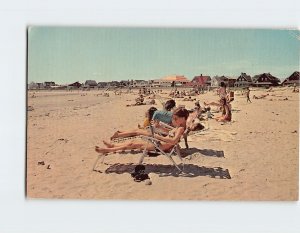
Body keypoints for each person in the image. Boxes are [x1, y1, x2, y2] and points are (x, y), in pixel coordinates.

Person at [95, 108, 190, 154]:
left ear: (184, 118)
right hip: (158, 144)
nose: (174, 121)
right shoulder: (179, 127)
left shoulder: (181, 128)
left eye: (176, 119)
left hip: (159, 146)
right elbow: (170, 135)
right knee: (132, 142)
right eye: (173, 118)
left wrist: (157, 136)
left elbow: (173, 141)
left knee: (132, 144)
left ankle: (107, 150)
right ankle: (113, 146)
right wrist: (160, 127)